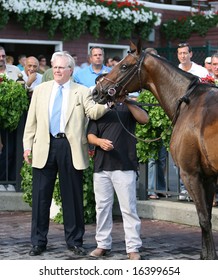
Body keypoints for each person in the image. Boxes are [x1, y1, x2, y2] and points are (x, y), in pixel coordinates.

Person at [23, 51, 109, 256]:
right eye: (55, 66)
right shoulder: (41, 90)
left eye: (62, 67)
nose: (58, 70)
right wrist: (27, 146)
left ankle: (75, 241)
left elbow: (93, 112)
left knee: (72, 197)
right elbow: (31, 122)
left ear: (70, 70)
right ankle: (38, 242)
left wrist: (109, 104)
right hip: (44, 146)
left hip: (70, 148)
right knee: (40, 197)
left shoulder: (81, 91)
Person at [87, 96, 149, 260]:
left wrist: (127, 101)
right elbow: (90, 136)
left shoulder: (129, 106)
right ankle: (102, 244)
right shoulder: (99, 109)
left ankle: (133, 247)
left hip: (125, 164)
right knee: (102, 208)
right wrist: (100, 142)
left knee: (129, 208)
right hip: (101, 166)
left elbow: (144, 119)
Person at [177, 42, 209, 200]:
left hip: (199, 117)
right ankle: (184, 188)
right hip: (181, 118)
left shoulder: (201, 71)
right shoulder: (175, 70)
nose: (183, 56)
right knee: (182, 154)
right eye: (180, 53)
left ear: (191, 54)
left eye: (185, 53)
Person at [0, 46, 21, 192]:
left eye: (3, 56)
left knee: (13, 150)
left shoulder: (14, 70)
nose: (1, 59)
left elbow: (24, 86)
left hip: (13, 119)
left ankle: (11, 181)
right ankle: (2, 181)